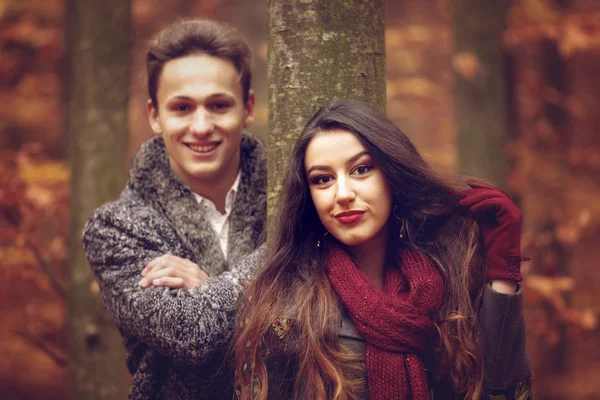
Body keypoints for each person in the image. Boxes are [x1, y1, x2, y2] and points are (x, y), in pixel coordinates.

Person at [234, 99, 532, 400]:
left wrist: (503, 272)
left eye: (361, 170)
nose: (343, 194)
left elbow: (501, 390)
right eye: (323, 179)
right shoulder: (286, 306)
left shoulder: (448, 284)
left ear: (392, 174)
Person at [83, 19, 266, 399]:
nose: (201, 126)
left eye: (218, 105)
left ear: (247, 108)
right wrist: (282, 254)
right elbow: (190, 332)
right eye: (182, 107)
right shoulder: (115, 227)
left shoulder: (294, 198)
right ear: (155, 116)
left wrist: (209, 291)